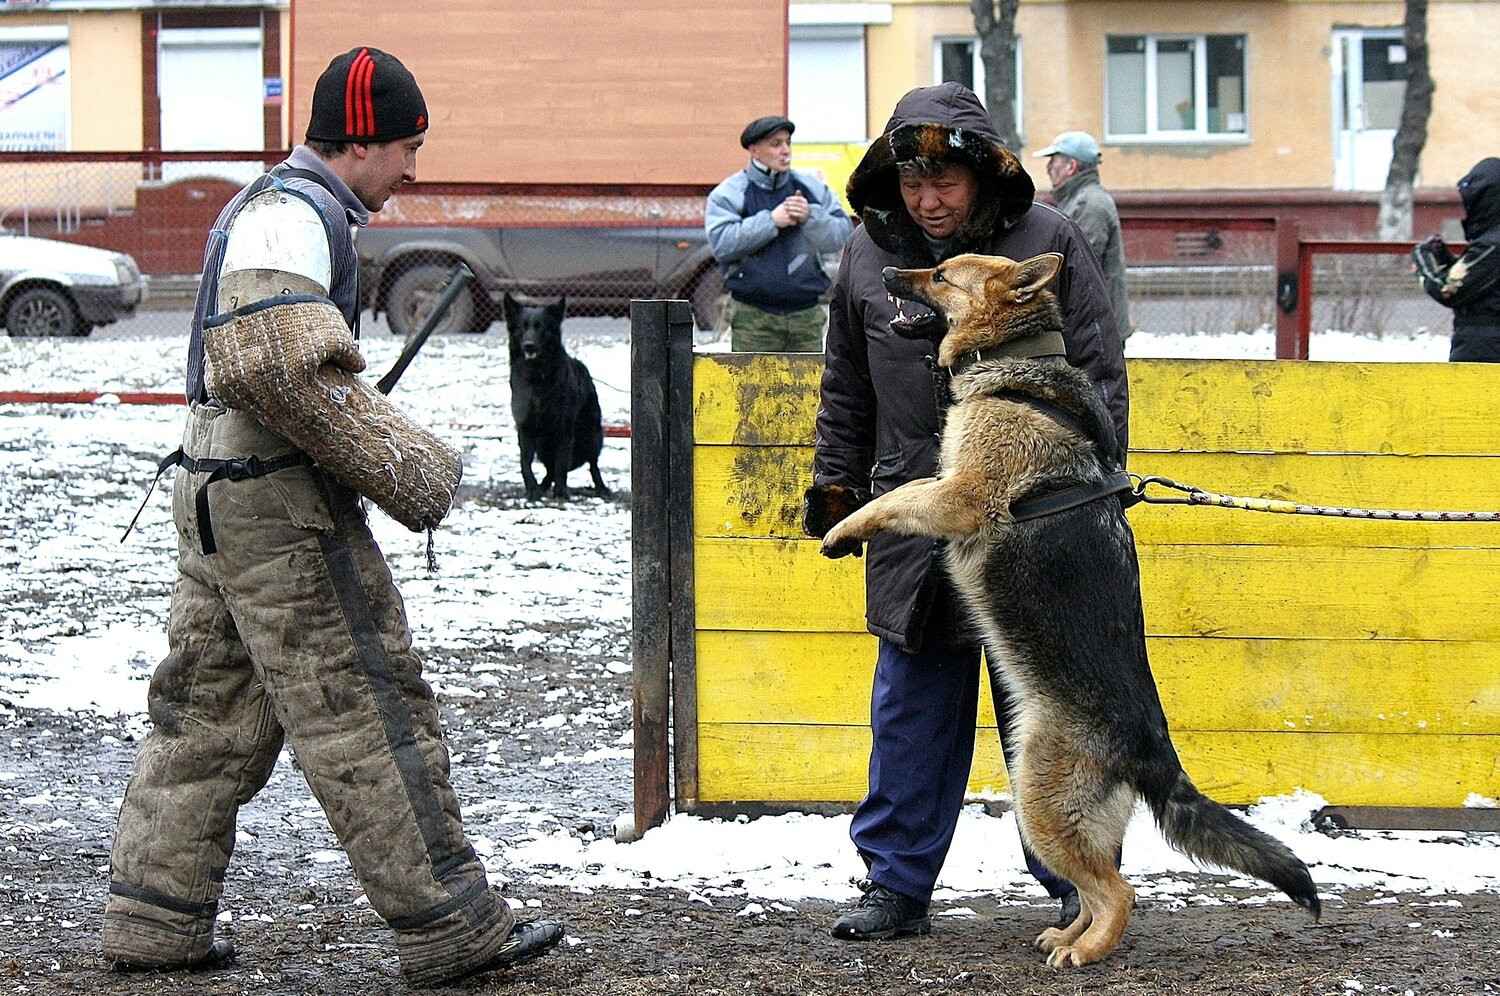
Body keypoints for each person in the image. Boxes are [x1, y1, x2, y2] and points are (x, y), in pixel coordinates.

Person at [101, 47, 563, 986]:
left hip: (214, 485)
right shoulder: (292, 214)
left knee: (207, 712)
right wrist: (408, 467)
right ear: (358, 141)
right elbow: (272, 365)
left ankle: (154, 918)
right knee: (365, 704)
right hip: (275, 504)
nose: (412, 170)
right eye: (405, 148)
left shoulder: (272, 204)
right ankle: (449, 929)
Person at [801, 82, 1129, 941]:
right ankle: (895, 888)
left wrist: (1091, 487)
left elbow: (1098, 368)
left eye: (945, 183)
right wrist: (837, 486)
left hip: (1038, 521)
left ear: (982, 177)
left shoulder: (1045, 241)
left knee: (1056, 705)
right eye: (914, 184)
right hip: (920, 511)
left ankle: (1075, 880)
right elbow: (844, 386)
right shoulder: (867, 256)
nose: (929, 200)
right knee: (910, 706)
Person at [706, 114, 853, 351]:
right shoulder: (730, 193)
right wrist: (771, 221)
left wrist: (810, 217)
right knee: (753, 387)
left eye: (788, 142)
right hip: (753, 317)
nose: (786, 150)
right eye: (776, 144)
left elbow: (843, 234)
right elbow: (721, 244)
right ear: (754, 150)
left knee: (807, 387)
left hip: (807, 316)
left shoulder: (812, 189)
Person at [1034, 130, 1132, 343]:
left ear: (1071, 166)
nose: (1048, 167)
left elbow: (1078, 267)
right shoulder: (1077, 200)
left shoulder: (1090, 204)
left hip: (1096, 330)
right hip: (1090, 325)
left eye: (1054, 160)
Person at [1412, 156, 1500, 362]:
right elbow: (1481, 286)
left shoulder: (1493, 245)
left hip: (1486, 354)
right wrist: (1447, 259)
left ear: (1485, 201)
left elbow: (1448, 290)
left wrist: (1423, 260)